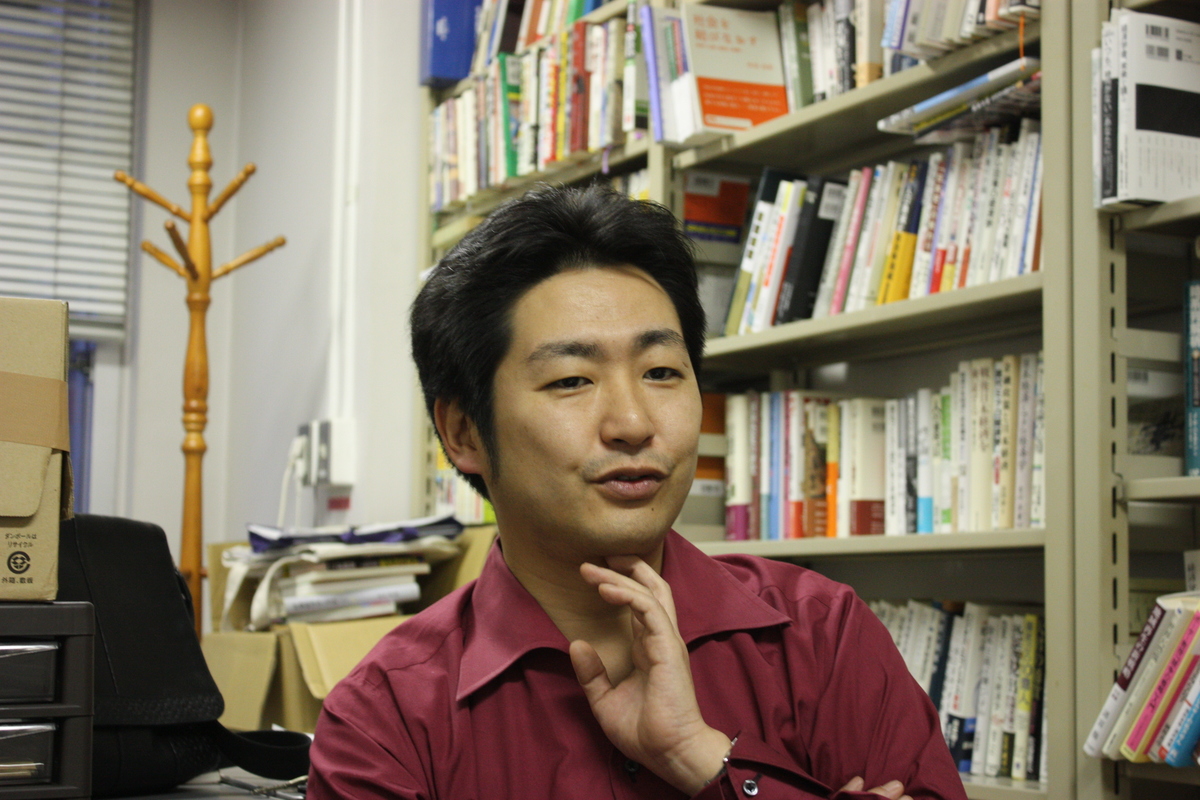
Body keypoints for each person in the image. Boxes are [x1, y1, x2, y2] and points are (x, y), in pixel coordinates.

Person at [306, 185, 968, 800]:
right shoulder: (384, 722)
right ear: (463, 431)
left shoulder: (821, 637)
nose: (632, 423)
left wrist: (701, 758)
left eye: (661, 372)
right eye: (571, 380)